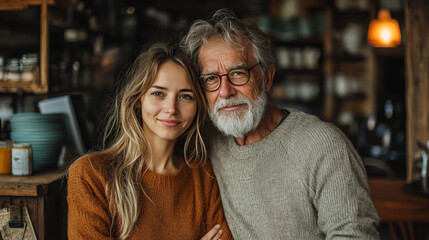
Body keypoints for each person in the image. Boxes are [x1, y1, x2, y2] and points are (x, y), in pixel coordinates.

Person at [181, 9, 380, 239]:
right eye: (211, 79)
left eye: (238, 73)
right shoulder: (207, 144)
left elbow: (355, 235)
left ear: (267, 77)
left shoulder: (321, 144)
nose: (225, 92)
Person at [67, 42, 233, 240]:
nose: (171, 108)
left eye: (185, 96)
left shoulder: (203, 175)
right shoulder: (92, 174)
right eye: (158, 93)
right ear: (138, 100)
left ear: (197, 106)